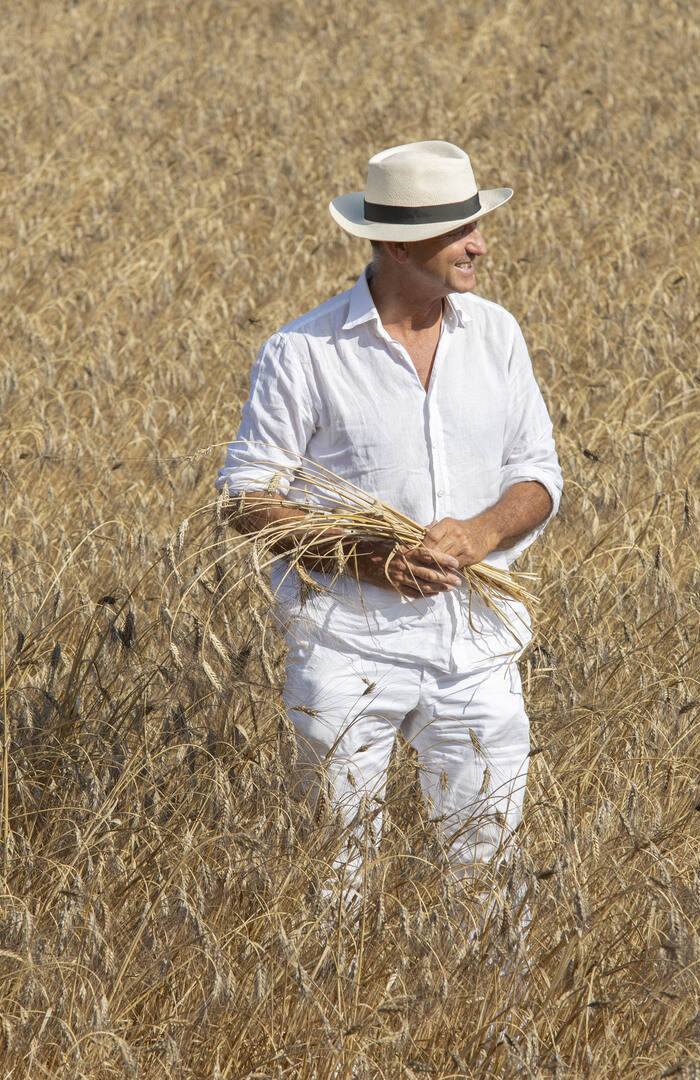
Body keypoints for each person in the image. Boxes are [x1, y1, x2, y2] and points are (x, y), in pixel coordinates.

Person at [216, 140, 563, 919]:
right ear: (400, 243)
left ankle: (488, 1026)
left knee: (491, 870)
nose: (480, 245)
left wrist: (481, 531)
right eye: (459, 231)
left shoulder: (498, 336)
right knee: (334, 872)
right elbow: (246, 493)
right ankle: (331, 1030)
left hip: (476, 648)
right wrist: (370, 558)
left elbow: (540, 476)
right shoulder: (301, 352)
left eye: (477, 225)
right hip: (345, 648)